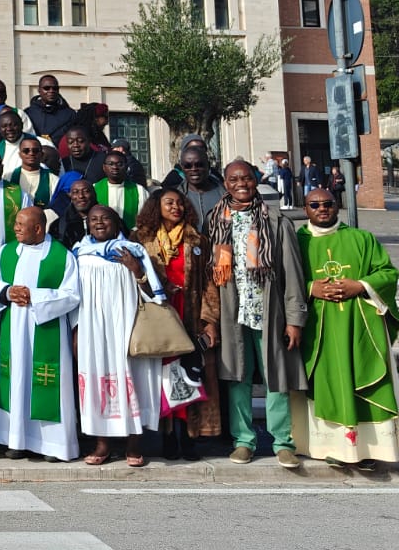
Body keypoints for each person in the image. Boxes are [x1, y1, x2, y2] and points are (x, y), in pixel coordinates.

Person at [206, 159, 308, 467]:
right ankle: (244, 440)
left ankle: (282, 442)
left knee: (275, 375)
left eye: (247, 178)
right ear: (225, 184)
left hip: (268, 311)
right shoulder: (215, 220)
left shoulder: (276, 220)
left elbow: (292, 272)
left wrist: (294, 319)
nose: (241, 184)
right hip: (231, 313)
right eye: (234, 179)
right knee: (237, 377)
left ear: (256, 180)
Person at [294, 189, 399, 469]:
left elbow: (388, 273)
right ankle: (329, 448)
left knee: (362, 379)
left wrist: (360, 285)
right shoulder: (296, 242)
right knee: (325, 384)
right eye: (314, 205)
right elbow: (281, 280)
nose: (322, 209)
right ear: (305, 209)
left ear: (337, 206)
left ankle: (368, 450)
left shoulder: (360, 238)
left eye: (328, 204)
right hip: (318, 330)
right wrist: (310, 287)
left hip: (359, 327)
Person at [0, 206, 82, 461]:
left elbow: (72, 295)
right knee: (15, 378)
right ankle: (15, 439)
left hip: (46, 326)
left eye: (20, 224)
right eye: (15, 223)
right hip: (13, 326)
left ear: (38, 228)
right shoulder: (7, 252)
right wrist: (6, 292)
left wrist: (35, 297)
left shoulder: (62, 256)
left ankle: (52, 444)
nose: (15, 228)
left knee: (46, 381)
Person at [73, 204, 165, 466]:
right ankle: (102, 445)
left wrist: (135, 268)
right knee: (96, 381)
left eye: (105, 219)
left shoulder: (133, 251)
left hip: (128, 325)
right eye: (93, 220)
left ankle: (134, 444)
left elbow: (153, 293)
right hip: (93, 328)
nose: (99, 223)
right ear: (87, 224)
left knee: (133, 378)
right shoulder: (80, 254)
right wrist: (76, 330)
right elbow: (73, 296)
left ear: (116, 223)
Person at [134, 187, 222, 457]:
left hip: (190, 314)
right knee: (162, 378)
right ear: (155, 207)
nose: (176, 207)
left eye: (180, 203)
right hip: (159, 317)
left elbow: (208, 281)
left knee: (190, 376)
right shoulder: (140, 239)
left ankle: (189, 437)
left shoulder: (197, 240)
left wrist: (210, 319)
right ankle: (167, 437)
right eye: (168, 202)